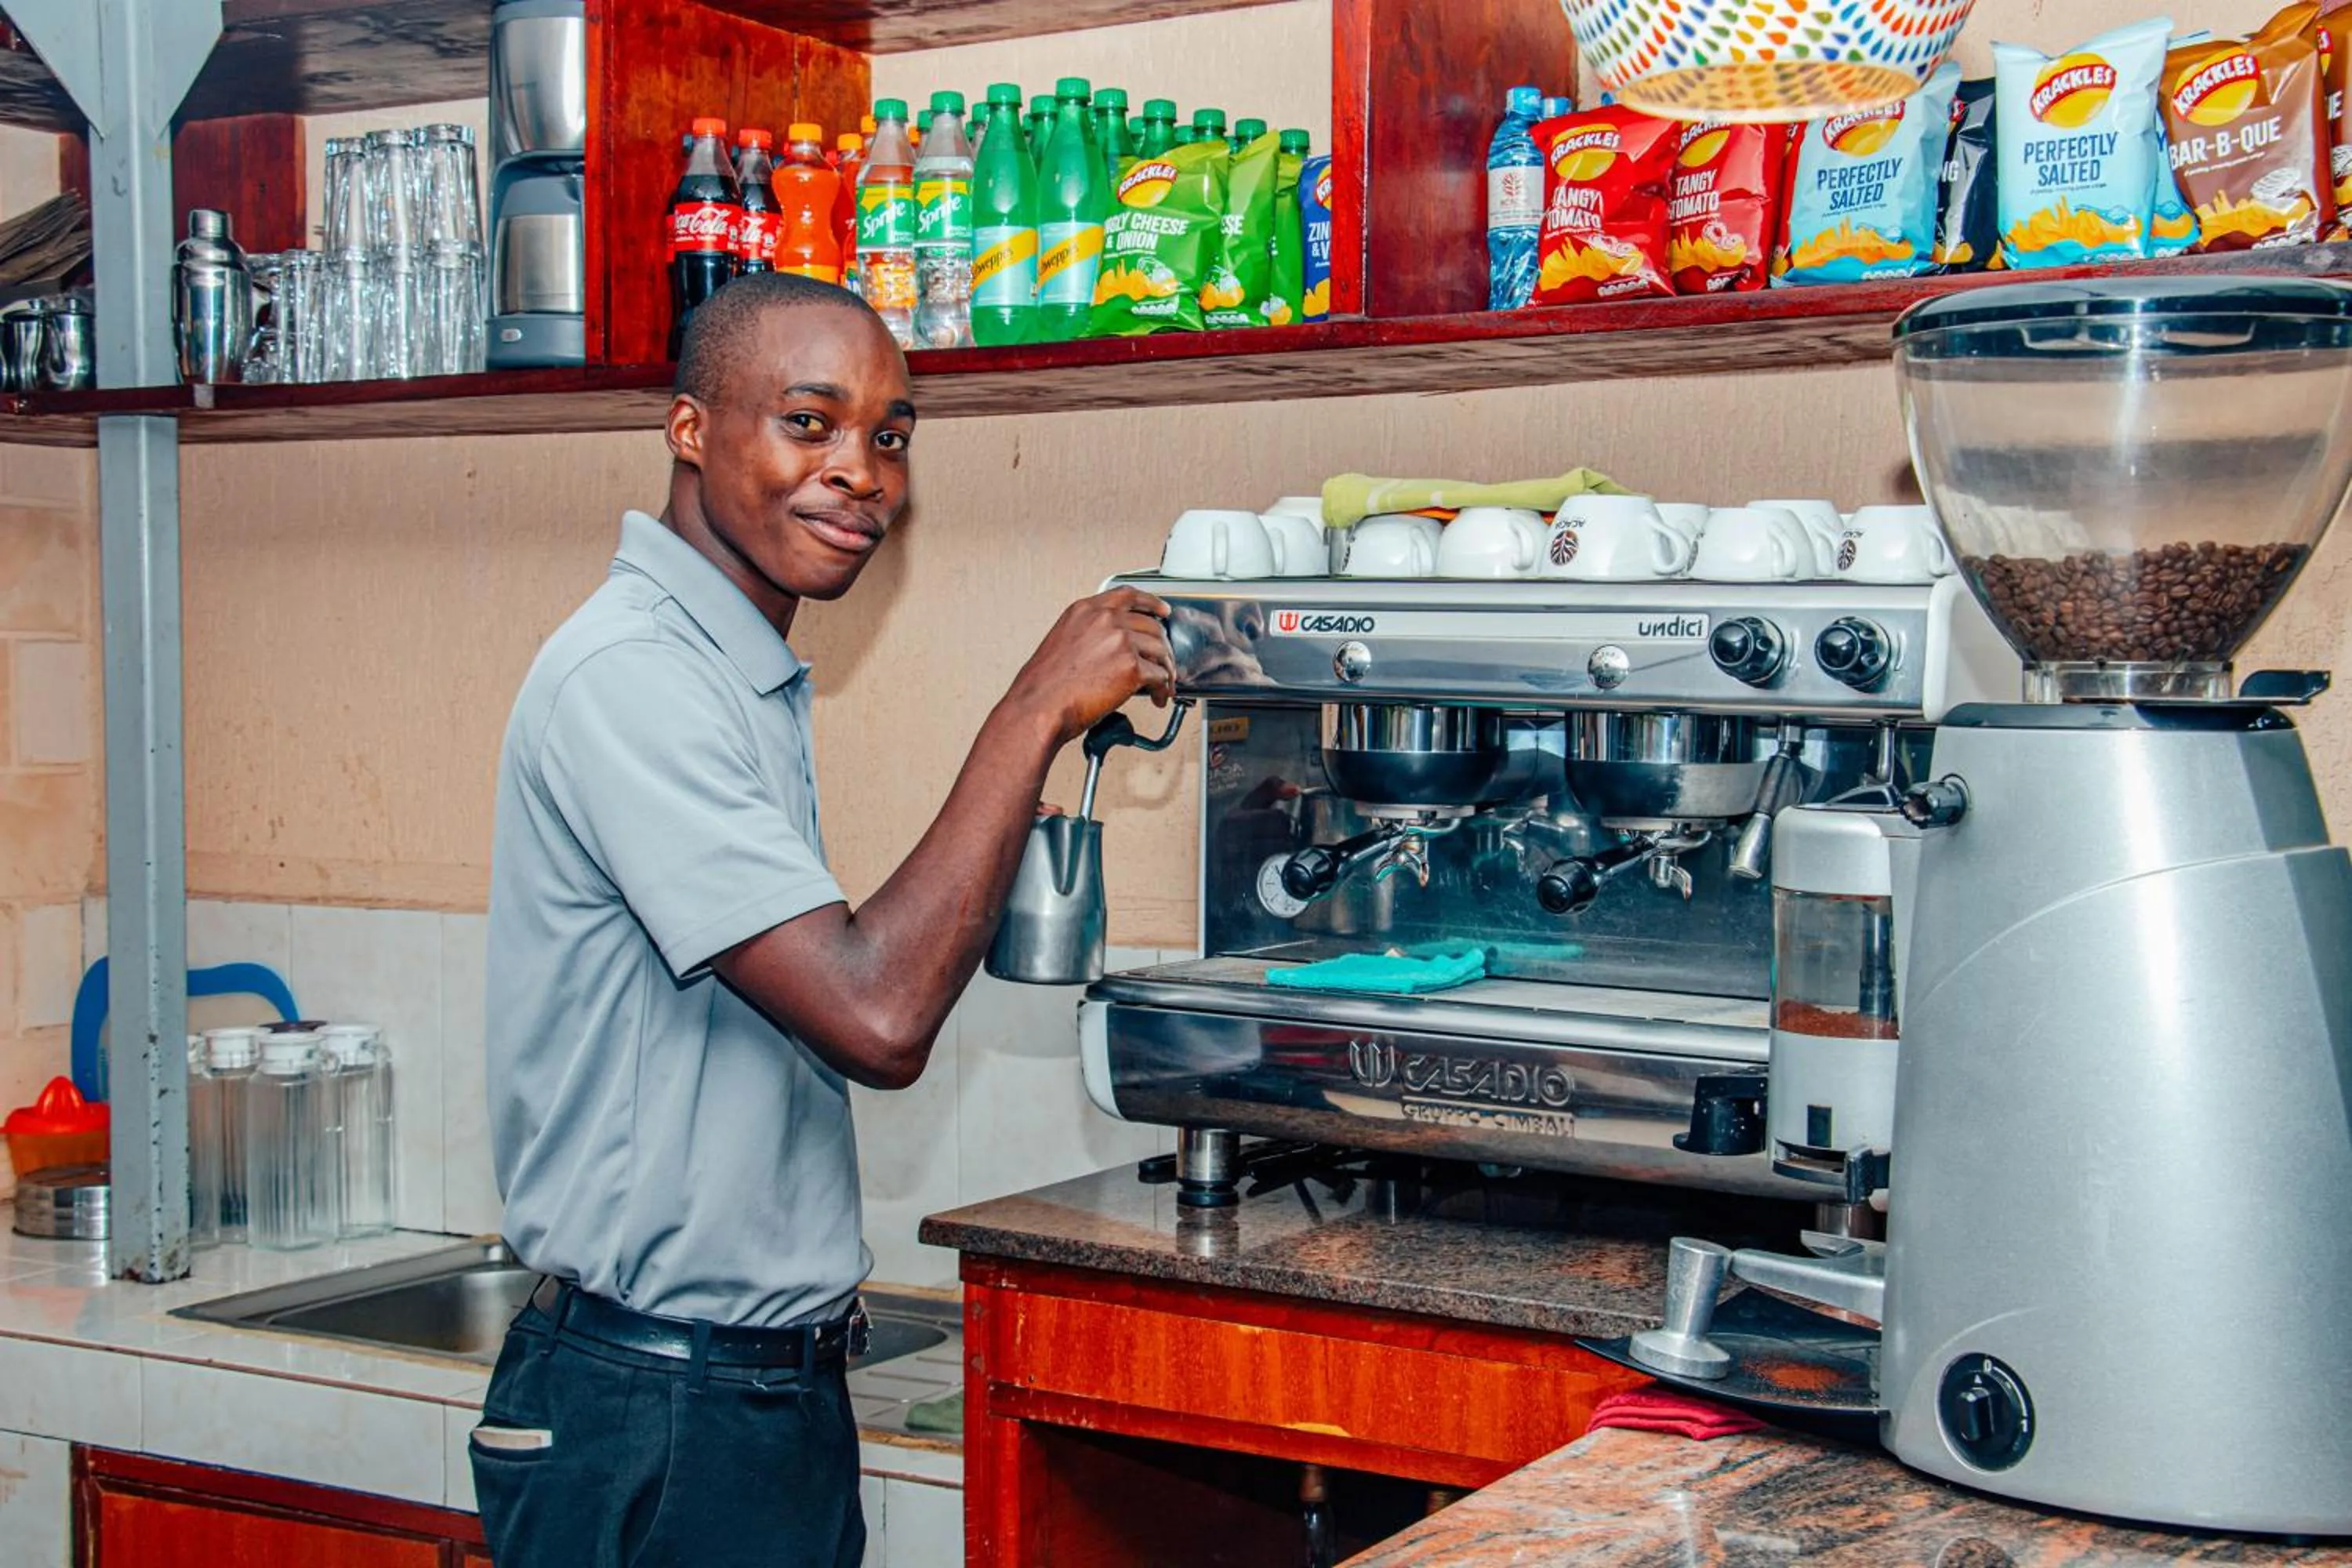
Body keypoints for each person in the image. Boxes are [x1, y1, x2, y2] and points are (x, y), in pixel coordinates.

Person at [470, 271, 1174, 1566]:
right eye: (810, 422)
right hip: (655, 1407)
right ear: (690, 429)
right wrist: (1029, 714)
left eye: (889, 437)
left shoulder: (732, 671)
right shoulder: (636, 678)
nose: (861, 472)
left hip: (747, 1396)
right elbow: (875, 1011)